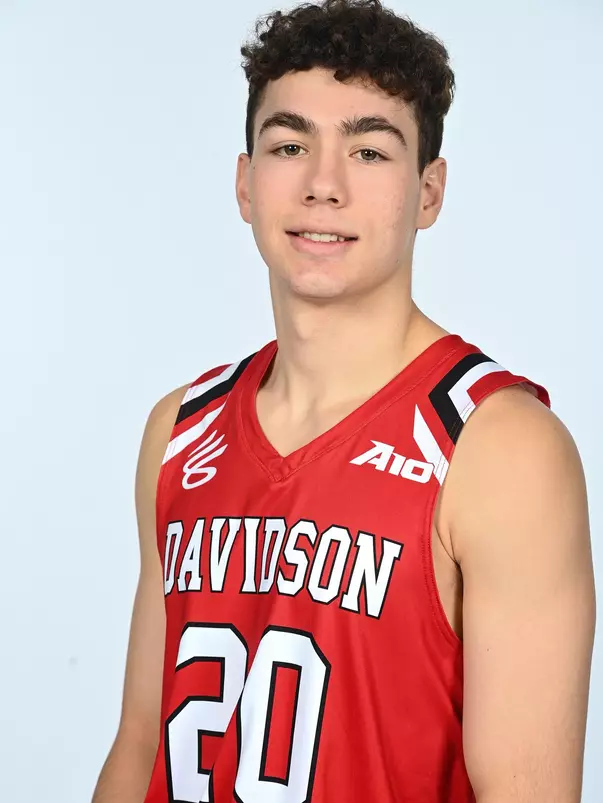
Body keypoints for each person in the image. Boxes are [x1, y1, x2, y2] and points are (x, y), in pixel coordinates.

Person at [92, 1, 596, 801]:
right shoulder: (179, 432)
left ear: (428, 191)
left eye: (368, 150)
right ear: (245, 182)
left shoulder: (498, 449)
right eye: (289, 145)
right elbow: (138, 745)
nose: (322, 184)